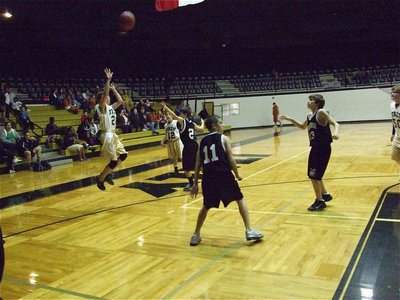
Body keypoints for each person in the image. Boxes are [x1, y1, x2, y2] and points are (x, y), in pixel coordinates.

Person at [189, 115, 263, 246]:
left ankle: (196, 234)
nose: (222, 126)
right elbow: (231, 159)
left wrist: (195, 183)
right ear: (214, 126)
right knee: (240, 199)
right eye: (220, 123)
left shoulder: (202, 142)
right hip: (223, 175)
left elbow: (197, 164)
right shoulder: (224, 138)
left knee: (206, 206)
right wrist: (237, 174)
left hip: (208, 178)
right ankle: (249, 230)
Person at [280, 94, 339, 211]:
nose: (308, 102)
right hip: (316, 148)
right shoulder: (309, 116)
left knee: (313, 175)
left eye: (311, 100)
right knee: (316, 174)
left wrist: (336, 132)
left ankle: (319, 201)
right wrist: (289, 119)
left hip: (323, 148)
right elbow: (302, 127)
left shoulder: (321, 112)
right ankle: (325, 194)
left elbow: (336, 123)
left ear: (317, 103)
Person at [94, 68, 127, 191]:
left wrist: (114, 89)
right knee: (113, 161)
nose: (108, 97)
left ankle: (107, 173)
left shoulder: (111, 107)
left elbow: (121, 101)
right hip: (106, 135)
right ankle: (101, 178)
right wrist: (108, 81)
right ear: (102, 99)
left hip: (113, 135)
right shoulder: (101, 107)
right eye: (106, 97)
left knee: (123, 155)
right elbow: (105, 94)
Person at [161, 101, 204, 191]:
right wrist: (203, 121)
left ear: (185, 114)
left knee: (186, 169)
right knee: (199, 166)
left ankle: (192, 184)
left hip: (188, 147)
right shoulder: (192, 123)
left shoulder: (182, 121)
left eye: (181, 113)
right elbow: (201, 129)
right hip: (196, 146)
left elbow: (174, 116)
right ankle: (210, 180)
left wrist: (166, 107)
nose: (179, 115)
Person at [161, 111, 181, 176]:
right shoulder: (165, 125)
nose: (168, 116)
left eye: (169, 114)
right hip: (170, 142)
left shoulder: (176, 122)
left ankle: (187, 167)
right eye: (167, 114)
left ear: (172, 116)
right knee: (174, 157)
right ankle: (176, 168)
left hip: (177, 140)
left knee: (181, 156)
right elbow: (166, 135)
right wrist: (162, 141)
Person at [390, 83, 400, 165]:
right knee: (394, 156)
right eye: (392, 92)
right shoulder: (392, 105)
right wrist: (393, 133)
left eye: (395, 92)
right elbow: (394, 120)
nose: (392, 94)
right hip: (398, 135)